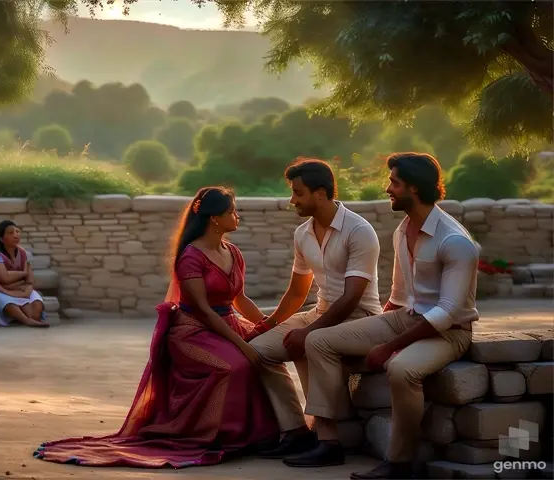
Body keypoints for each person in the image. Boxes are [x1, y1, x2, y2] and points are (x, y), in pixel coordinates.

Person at [33, 186, 279, 468]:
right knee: (232, 365)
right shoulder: (191, 257)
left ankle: (269, 433)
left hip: (228, 323)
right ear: (214, 219)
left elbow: (241, 298)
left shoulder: (233, 252)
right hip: (193, 331)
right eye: (232, 212)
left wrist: (265, 326)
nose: (237, 216)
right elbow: (204, 311)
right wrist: (243, 345)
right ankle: (211, 435)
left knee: (269, 357)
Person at [301, 153, 478, 479]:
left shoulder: (455, 241)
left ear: (414, 187)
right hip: (405, 318)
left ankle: (399, 463)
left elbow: (447, 311)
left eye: (394, 182)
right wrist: (372, 332)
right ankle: (328, 441)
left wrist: (389, 346)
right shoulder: (403, 229)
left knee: (400, 368)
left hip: (448, 332)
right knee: (318, 340)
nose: (388, 188)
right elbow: (398, 297)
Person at [248, 157, 384, 462]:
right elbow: (298, 291)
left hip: (360, 317)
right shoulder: (303, 233)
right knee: (257, 350)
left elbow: (351, 298)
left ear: (320, 193)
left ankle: (329, 443)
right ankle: (295, 430)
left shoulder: (359, 231)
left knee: (310, 341)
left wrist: (308, 330)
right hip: (321, 311)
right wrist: (268, 324)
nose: (292, 199)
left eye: (298, 193)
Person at [0, 220, 49, 328]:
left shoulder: (22, 253)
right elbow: (5, 278)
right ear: (1, 239)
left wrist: (28, 287)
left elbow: (30, 278)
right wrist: (23, 274)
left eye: (17, 232)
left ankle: (33, 318)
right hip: (1, 291)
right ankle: (26, 320)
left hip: (20, 288)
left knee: (37, 304)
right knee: (9, 304)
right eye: (11, 233)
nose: (16, 235)